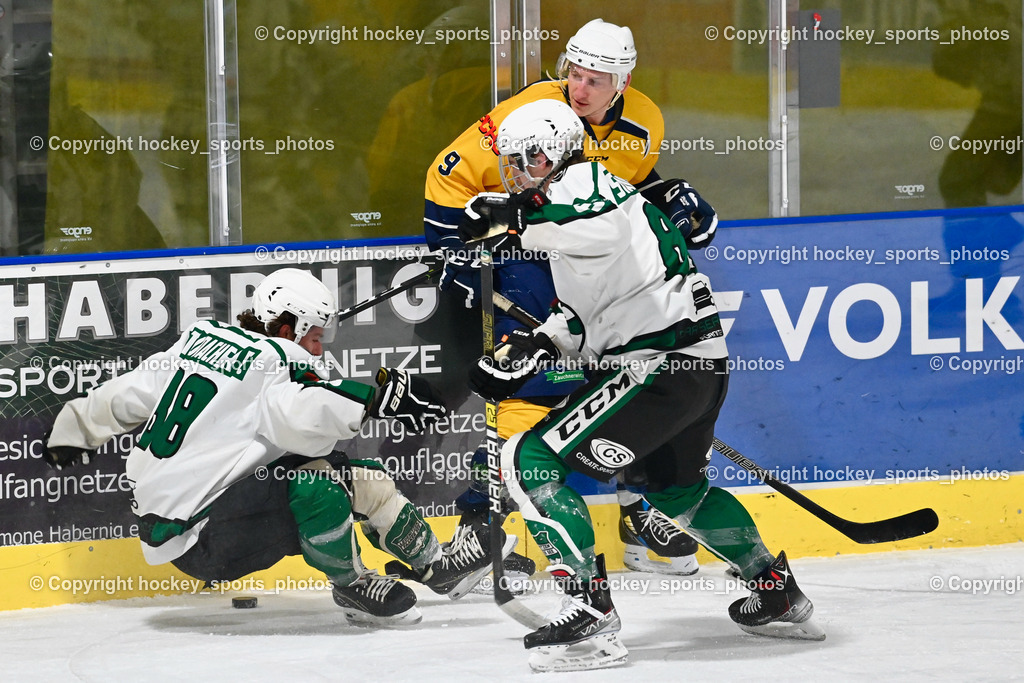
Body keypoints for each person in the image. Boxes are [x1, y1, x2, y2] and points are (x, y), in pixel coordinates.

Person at [460, 100, 823, 672]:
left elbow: (585, 224)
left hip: (657, 368)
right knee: (680, 494)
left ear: (550, 154)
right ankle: (774, 588)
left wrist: (510, 219)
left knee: (526, 460)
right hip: (697, 367)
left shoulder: (583, 189)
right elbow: (588, 313)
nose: (515, 173)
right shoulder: (588, 199)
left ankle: (589, 609)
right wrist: (535, 347)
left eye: (522, 162)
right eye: (509, 164)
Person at [43, 268, 513, 626]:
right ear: (286, 325)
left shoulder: (200, 341)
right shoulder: (275, 361)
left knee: (345, 473)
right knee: (318, 480)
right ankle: (354, 587)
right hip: (209, 540)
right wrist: (377, 401)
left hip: (176, 525)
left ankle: (436, 566)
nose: (318, 346)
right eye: (313, 334)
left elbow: (128, 391)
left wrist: (74, 428)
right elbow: (304, 416)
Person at [424, 18, 715, 577]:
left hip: (603, 273)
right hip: (531, 260)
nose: (578, 89)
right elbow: (447, 173)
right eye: (573, 74)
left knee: (628, 385)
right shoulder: (531, 112)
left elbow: (619, 190)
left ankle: (637, 508)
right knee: (532, 382)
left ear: (622, 83)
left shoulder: (646, 122)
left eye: (594, 79)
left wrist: (671, 202)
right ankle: (482, 528)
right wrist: (452, 250)